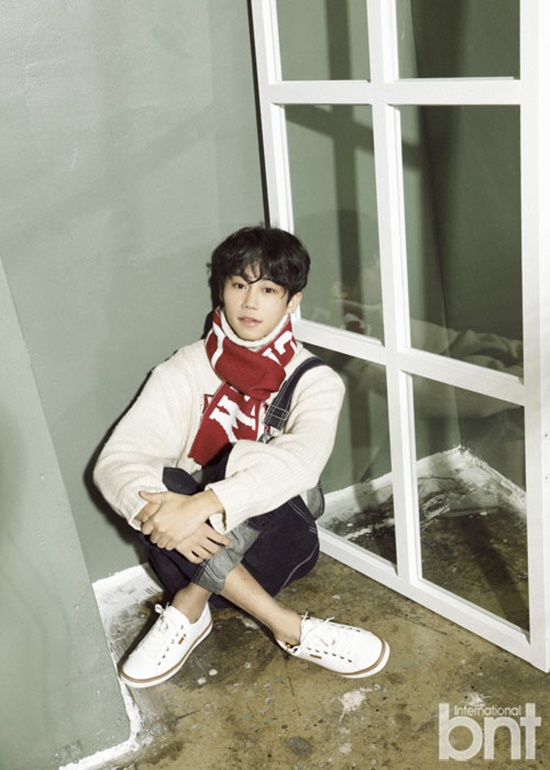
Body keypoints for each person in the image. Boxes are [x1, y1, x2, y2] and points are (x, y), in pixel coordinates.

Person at [94, 225, 390, 689]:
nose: (250, 303)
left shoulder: (315, 380)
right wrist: (177, 516)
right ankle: (286, 626)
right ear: (222, 290)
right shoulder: (185, 367)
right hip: (183, 553)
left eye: (268, 290)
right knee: (163, 481)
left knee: (257, 463)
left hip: (276, 551)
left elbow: (302, 462)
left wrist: (201, 506)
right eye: (239, 285)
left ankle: (188, 609)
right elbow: (117, 460)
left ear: (292, 301)